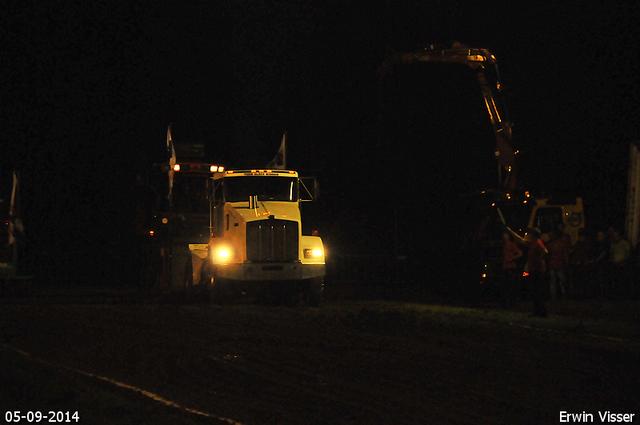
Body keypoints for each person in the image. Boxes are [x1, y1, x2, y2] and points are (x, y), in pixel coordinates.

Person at [507, 226, 548, 317]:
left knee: (537, 291)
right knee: (534, 291)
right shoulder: (532, 243)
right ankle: (537, 311)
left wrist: (539, 260)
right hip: (533, 269)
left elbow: (545, 251)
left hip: (538, 270)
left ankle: (541, 312)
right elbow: (520, 239)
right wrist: (510, 231)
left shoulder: (538, 243)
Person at [547, 228, 570, 300]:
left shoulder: (550, 244)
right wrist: (567, 264)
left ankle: (554, 296)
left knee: (553, 282)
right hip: (560, 264)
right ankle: (564, 295)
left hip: (553, 264)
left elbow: (546, 254)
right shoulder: (563, 244)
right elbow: (566, 255)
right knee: (563, 281)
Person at [501, 230, 523, 307]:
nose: (505, 237)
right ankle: (507, 302)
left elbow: (520, 254)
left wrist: (512, 259)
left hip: (511, 267)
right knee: (506, 285)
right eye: (504, 235)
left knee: (511, 285)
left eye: (506, 235)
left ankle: (511, 302)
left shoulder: (512, 245)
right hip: (506, 267)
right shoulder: (504, 245)